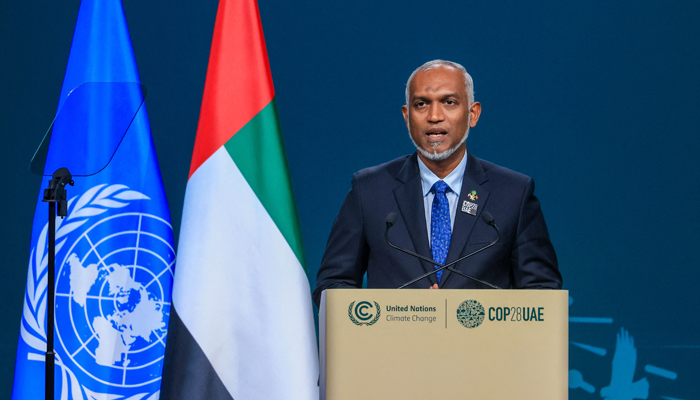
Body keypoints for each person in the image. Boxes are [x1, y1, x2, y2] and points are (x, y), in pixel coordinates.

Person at [313, 60, 561, 307]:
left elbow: (542, 292)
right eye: (421, 104)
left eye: (449, 102)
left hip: (482, 344)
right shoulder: (369, 191)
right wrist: (395, 310)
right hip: (396, 343)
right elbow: (333, 284)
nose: (434, 116)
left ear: (472, 114)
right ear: (407, 116)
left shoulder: (513, 194)